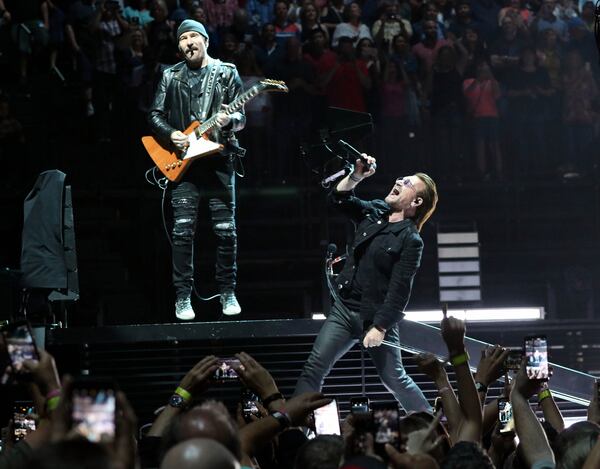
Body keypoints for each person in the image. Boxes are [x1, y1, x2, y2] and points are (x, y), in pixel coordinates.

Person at [294, 156, 438, 413]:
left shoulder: (411, 240)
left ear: (416, 202)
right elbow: (339, 200)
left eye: (407, 183)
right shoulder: (374, 211)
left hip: (375, 317)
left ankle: (430, 426)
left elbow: (399, 291)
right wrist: (356, 177)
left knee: (394, 379)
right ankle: (291, 426)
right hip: (344, 309)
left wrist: (380, 327)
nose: (398, 181)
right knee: (314, 368)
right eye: (401, 178)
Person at [148, 19, 246, 320]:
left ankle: (228, 291)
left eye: (193, 36)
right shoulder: (170, 75)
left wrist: (230, 120)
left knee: (226, 230)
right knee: (182, 231)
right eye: (183, 39)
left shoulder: (226, 72)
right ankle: (182, 297)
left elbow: (241, 116)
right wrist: (171, 134)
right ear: (178, 46)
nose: (188, 42)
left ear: (205, 40)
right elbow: (154, 114)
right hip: (185, 162)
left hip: (218, 161)